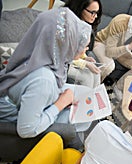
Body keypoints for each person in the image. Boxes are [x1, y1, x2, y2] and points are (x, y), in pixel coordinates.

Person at [0, 7, 92, 150]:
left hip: (25, 104)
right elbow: (26, 130)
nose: (85, 50)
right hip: (17, 126)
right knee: (78, 128)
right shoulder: (44, 80)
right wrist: (60, 104)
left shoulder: (35, 51)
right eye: (82, 45)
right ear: (67, 44)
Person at [92, 2, 132, 98]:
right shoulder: (120, 21)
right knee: (109, 65)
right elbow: (110, 52)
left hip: (121, 50)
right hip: (103, 43)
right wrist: (130, 47)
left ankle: (117, 89)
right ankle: (95, 89)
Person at [64, 0, 102, 88]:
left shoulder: (84, 25)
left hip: (72, 60)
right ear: (81, 8)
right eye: (92, 12)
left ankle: (95, 97)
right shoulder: (69, 25)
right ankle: (85, 100)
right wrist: (85, 64)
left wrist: (85, 57)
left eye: (97, 13)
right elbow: (64, 55)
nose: (95, 16)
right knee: (87, 77)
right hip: (62, 63)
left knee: (96, 73)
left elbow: (78, 49)